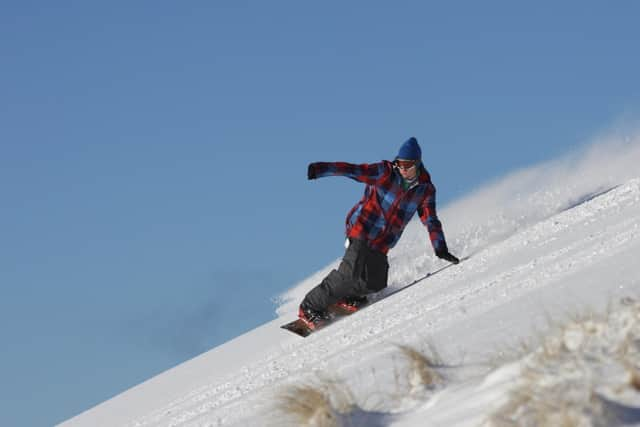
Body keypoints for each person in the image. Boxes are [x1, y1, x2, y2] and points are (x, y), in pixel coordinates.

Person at [298, 137, 459, 330]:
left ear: (417, 164)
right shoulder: (385, 172)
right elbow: (353, 170)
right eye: (400, 164)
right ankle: (309, 307)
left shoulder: (425, 190)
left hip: (383, 240)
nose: (403, 169)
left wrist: (440, 247)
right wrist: (320, 169)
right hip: (361, 228)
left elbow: (430, 219)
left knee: (375, 283)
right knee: (350, 273)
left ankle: (349, 296)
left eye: (407, 165)